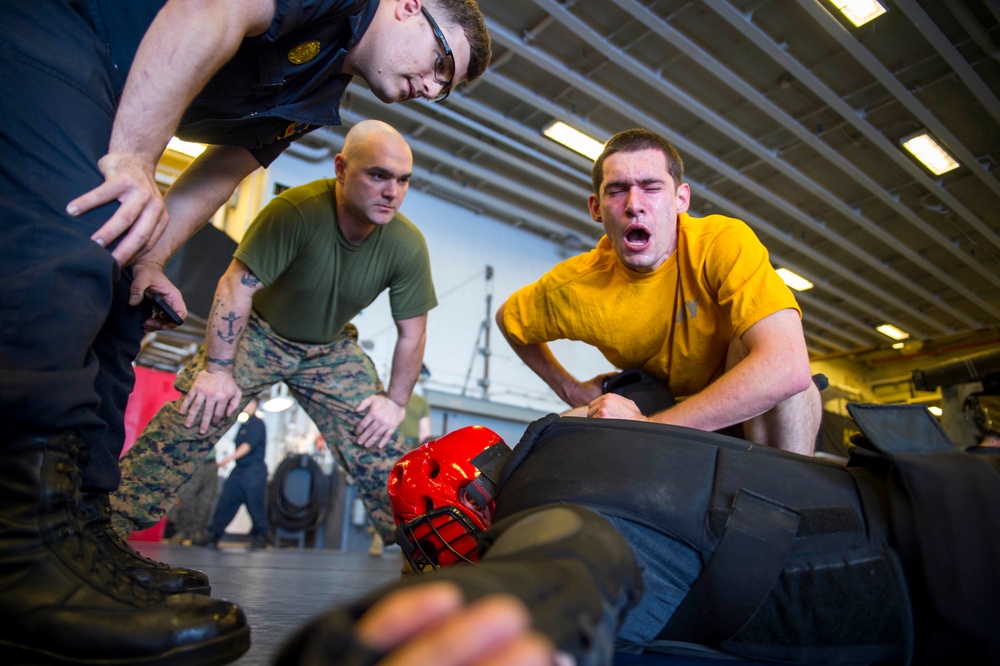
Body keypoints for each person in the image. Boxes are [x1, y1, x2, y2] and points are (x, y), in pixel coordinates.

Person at [1, 1, 487, 663]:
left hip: (327, 348)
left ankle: (82, 536)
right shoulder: (334, 11)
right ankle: (24, 550)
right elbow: (211, 9)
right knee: (75, 254)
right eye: (438, 64)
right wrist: (139, 161)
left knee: (123, 293)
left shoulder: (313, 96)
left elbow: (221, 171)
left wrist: (148, 256)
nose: (431, 89)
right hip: (69, 34)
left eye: (445, 87)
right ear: (409, 7)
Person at [276, 410, 1000, 666]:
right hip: (949, 489)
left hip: (951, 584)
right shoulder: (573, 438)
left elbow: (572, 552)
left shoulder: (548, 505)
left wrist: (512, 596)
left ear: (466, 509)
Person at [112, 120, 437, 560]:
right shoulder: (295, 211)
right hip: (259, 332)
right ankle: (105, 527)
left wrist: (396, 402)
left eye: (403, 181)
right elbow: (235, 286)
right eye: (378, 175)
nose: (392, 192)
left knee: (380, 444)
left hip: (329, 348)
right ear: (341, 169)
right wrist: (218, 370)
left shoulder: (407, 244)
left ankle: (428, 553)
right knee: (194, 417)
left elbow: (412, 332)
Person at [496, 128, 820, 455]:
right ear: (595, 208)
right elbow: (508, 321)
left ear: (681, 199)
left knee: (778, 367)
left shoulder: (722, 243)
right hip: (661, 403)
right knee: (563, 429)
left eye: (651, 188)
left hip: (747, 410)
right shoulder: (578, 285)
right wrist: (570, 389)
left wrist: (650, 429)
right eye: (617, 191)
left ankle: (789, 495)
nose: (634, 205)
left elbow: (789, 366)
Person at [192, 399, 270, 548]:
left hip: (253, 470)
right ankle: (213, 534)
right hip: (239, 469)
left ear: (254, 404)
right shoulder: (244, 424)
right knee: (227, 501)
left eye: (247, 402)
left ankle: (261, 536)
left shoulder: (257, 423)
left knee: (255, 503)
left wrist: (229, 459)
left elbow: (248, 446)